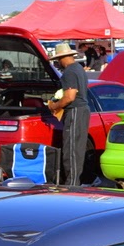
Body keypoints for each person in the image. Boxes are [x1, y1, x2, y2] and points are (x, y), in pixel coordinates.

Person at [46, 43, 90, 185]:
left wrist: (55, 106)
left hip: (75, 111)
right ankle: (75, 181)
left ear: (63, 58)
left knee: (70, 149)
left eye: (58, 60)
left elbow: (70, 96)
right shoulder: (79, 69)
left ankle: (71, 184)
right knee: (77, 149)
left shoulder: (69, 72)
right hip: (82, 110)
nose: (58, 63)